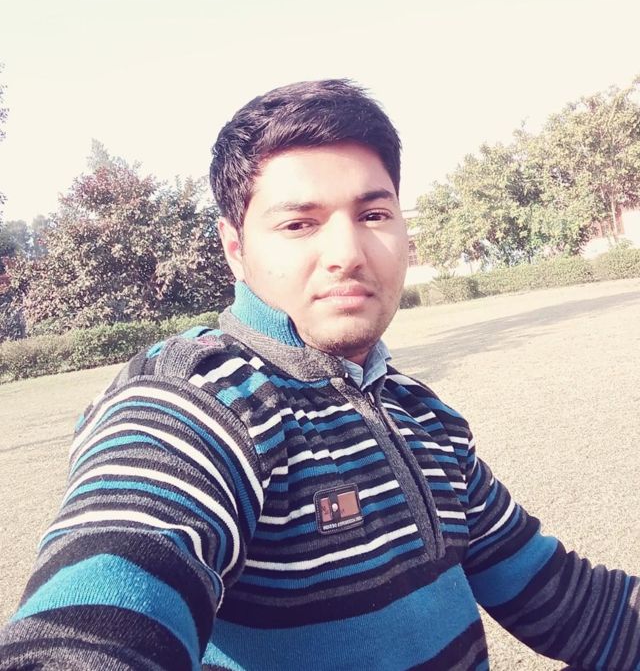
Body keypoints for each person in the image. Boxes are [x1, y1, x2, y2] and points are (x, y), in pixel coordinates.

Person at [1, 79, 638, 670]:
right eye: (299, 224)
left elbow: (562, 600)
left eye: (373, 215)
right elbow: (98, 608)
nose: (347, 254)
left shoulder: (421, 415)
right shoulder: (202, 401)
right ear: (235, 248)